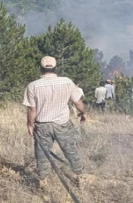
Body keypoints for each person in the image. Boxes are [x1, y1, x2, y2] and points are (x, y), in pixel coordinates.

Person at [23, 56, 86, 187]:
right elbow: (78, 103)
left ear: (40, 68)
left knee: (42, 153)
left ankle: (43, 181)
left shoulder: (33, 86)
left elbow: (32, 109)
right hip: (62, 124)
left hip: (42, 126)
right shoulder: (67, 82)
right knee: (70, 150)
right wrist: (83, 113)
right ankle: (80, 176)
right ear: (55, 67)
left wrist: (30, 124)